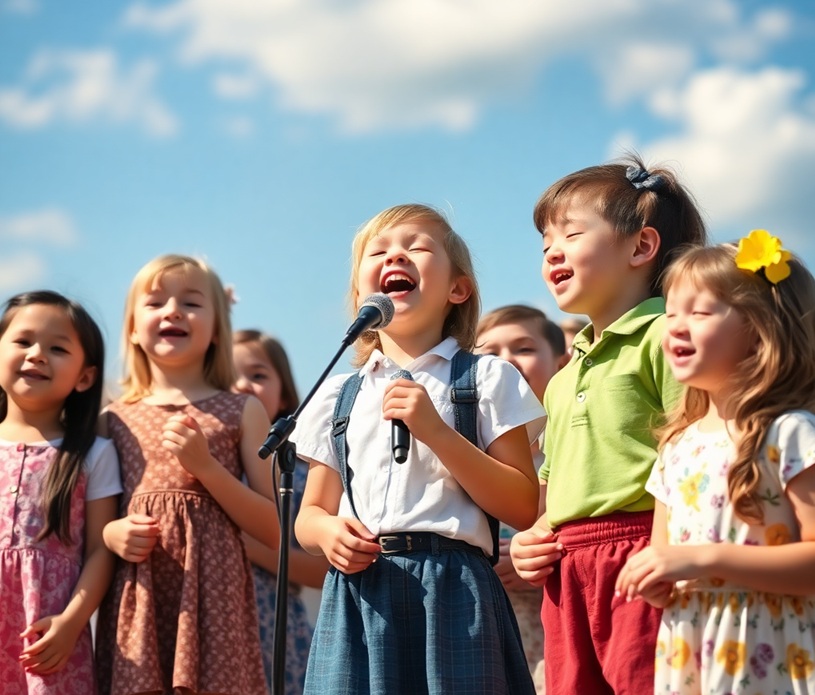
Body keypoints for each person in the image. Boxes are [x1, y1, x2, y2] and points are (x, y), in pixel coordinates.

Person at [291, 203, 546, 694]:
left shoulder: (488, 377)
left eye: (417, 247)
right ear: (361, 294)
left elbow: (520, 502)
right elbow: (310, 514)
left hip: (454, 588)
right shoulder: (337, 395)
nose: (396, 256)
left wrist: (437, 432)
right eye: (379, 251)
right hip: (360, 591)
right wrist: (327, 532)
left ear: (458, 289)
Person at [510, 154, 708, 695]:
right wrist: (535, 535)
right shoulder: (562, 376)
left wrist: (666, 550)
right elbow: (555, 480)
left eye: (572, 234)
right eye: (545, 243)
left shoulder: (667, 338)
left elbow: (689, 454)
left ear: (641, 247)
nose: (553, 251)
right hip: (568, 569)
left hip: (641, 551)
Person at [615, 232, 815, 694]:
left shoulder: (791, 434)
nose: (675, 327)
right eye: (670, 314)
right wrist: (656, 583)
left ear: (762, 329)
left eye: (700, 313)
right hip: (693, 650)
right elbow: (666, 556)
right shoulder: (675, 447)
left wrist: (704, 557)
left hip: (771, 652)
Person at [95, 254, 278, 695]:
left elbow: (273, 528)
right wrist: (112, 534)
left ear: (217, 330)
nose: (173, 311)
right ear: (132, 328)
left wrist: (206, 468)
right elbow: (97, 523)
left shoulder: (243, 410)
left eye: (191, 303)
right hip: (140, 601)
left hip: (215, 606)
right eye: (155, 302)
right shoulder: (112, 419)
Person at [0, 290, 121, 694]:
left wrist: (72, 622)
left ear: (85, 377)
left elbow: (100, 550)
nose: (36, 354)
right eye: (22, 341)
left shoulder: (94, 454)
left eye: (57, 348)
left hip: (48, 641)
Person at [475, 304, 567, 692]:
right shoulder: (461, 453)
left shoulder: (572, 449)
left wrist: (541, 559)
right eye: (489, 352)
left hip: (551, 633)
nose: (505, 361)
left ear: (563, 364)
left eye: (523, 348)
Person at [232, 329, 328, 695]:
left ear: (285, 393)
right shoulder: (198, 466)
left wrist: (246, 546)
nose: (242, 385)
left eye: (258, 375)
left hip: (276, 636)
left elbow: (322, 571)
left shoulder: (300, 474)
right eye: (229, 374)